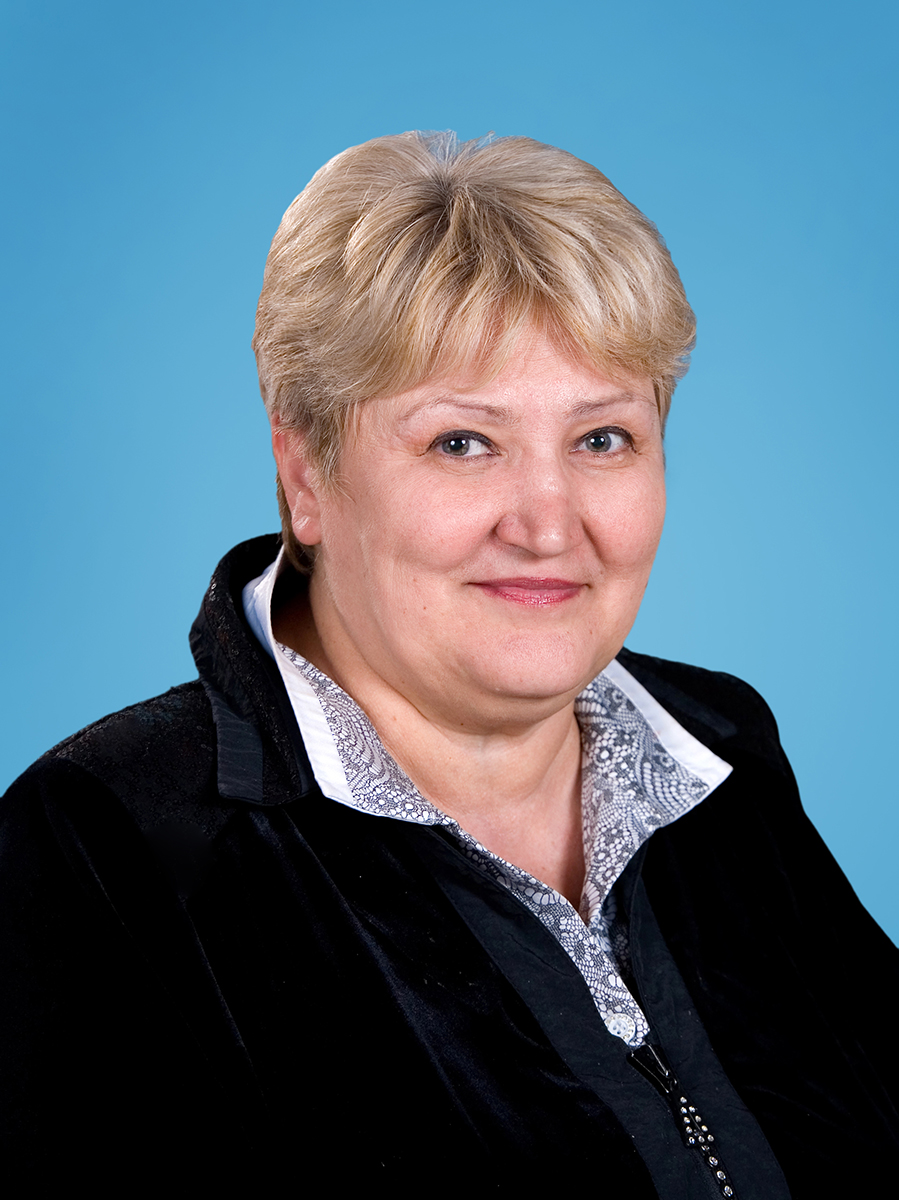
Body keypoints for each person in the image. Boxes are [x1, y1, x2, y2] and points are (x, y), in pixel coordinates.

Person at [2, 131, 897, 1195]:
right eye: (462, 443)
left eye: (601, 439)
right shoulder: (107, 842)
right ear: (306, 473)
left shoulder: (719, 753)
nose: (547, 523)